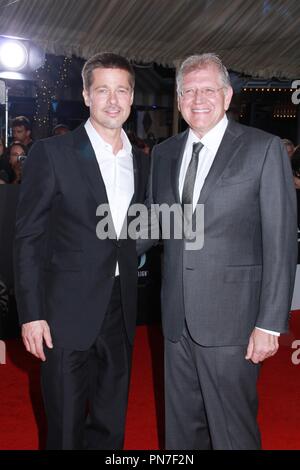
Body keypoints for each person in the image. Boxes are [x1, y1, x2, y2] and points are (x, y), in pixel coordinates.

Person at [141, 53, 297, 449]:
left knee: (232, 432)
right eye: (189, 91)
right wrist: (95, 249)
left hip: (234, 323)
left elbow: (279, 241)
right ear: (178, 100)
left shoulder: (262, 149)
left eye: (208, 89)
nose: (198, 99)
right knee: (181, 431)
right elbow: (157, 224)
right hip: (176, 320)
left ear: (227, 96)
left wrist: (269, 323)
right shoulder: (164, 153)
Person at [14, 52, 149, 450]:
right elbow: (29, 238)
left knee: (111, 425)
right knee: (66, 429)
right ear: (87, 95)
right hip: (63, 315)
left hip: (120, 310)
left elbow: (134, 232)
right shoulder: (52, 154)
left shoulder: (140, 161)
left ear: (131, 97)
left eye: (121, 90)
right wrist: (32, 315)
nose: (112, 100)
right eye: (102, 90)